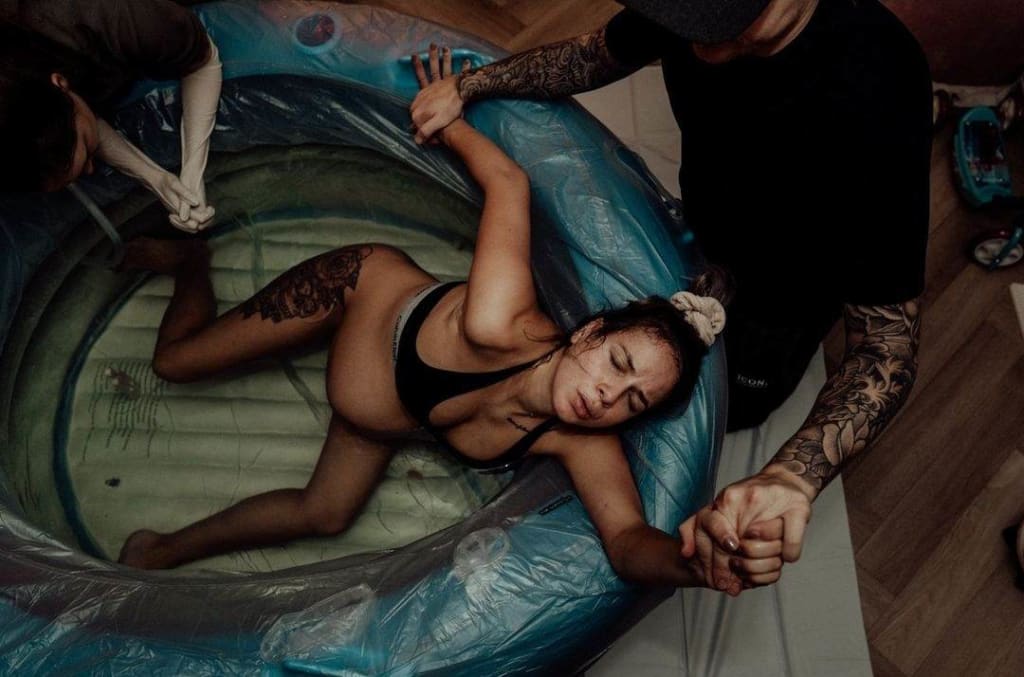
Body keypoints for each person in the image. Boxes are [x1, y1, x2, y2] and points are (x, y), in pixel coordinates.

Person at [116, 50, 781, 587]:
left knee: (325, 514)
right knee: (175, 363)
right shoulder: (499, 320)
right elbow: (510, 184)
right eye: (618, 362)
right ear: (588, 332)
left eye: (632, 400)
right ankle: (192, 264)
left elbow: (628, 541)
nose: (608, 394)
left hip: (383, 413)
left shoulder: (579, 437)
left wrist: (692, 564)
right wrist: (451, 109)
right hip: (359, 292)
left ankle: (166, 548)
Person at [410, 0, 930, 597]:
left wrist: (791, 476)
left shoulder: (878, 88)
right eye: (690, 28)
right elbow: (594, 55)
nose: (701, 51)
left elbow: (886, 346)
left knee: (723, 403)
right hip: (700, 236)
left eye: (728, 30)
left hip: (777, 310)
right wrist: (469, 86)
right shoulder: (689, 10)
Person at [0, 0, 222, 232]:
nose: (91, 170)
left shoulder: (120, 18)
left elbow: (202, 58)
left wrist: (193, 168)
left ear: (61, 83)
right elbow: (73, 120)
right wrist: (155, 179)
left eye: (87, 150)